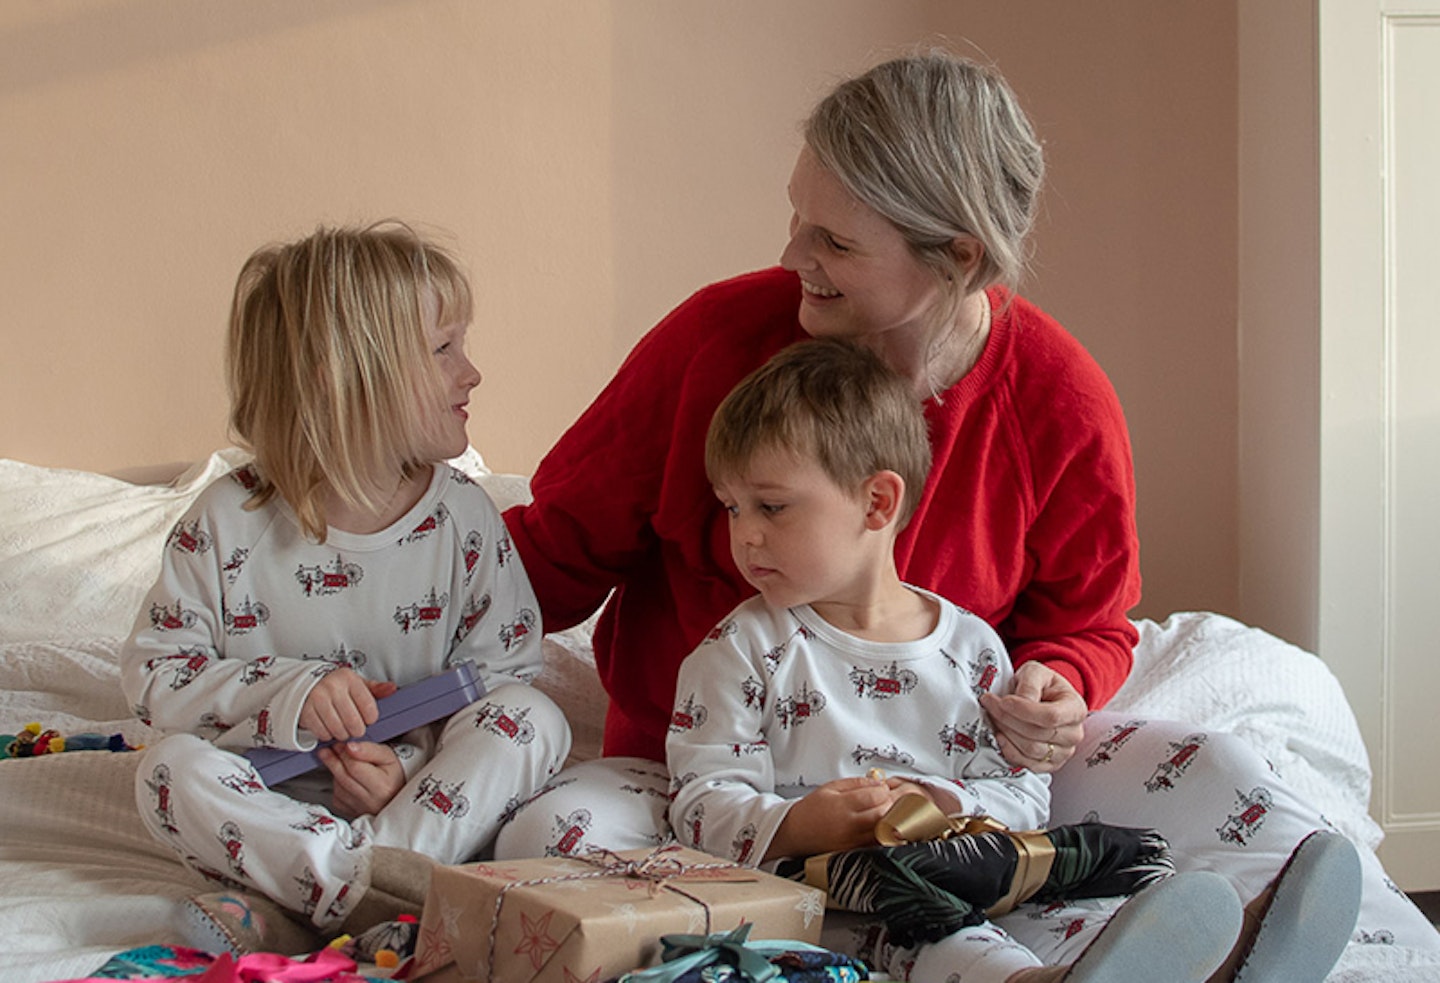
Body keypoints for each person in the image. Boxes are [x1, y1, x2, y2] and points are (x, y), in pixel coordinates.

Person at [495, 48, 1439, 977]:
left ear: (959, 257)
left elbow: (1086, 625)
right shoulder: (716, 343)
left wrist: (1055, 687)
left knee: (1216, 766)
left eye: (834, 242)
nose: (793, 257)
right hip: (707, 778)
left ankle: (1249, 937)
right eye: (798, 221)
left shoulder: (1061, 402)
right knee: (549, 839)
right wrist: (384, 626)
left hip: (954, 783)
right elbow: (554, 551)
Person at [669, 336, 1265, 983]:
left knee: (1096, 863)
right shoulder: (740, 650)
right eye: (732, 507)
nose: (744, 533)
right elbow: (700, 800)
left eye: (771, 506)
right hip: (834, 886)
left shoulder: (970, 648)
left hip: (971, 859)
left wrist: (943, 803)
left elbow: (1023, 792)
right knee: (919, 914)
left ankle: (1228, 952)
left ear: (877, 503)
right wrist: (798, 822)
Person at [121, 222, 571, 949]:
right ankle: (367, 895)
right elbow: (156, 677)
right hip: (265, 797)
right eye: (443, 348)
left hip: (416, 802)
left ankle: (333, 894)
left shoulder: (464, 519)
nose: (472, 371)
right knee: (167, 772)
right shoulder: (228, 520)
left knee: (533, 717)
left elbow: (500, 676)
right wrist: (288, 691)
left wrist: (406, 771)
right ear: (349, 374)